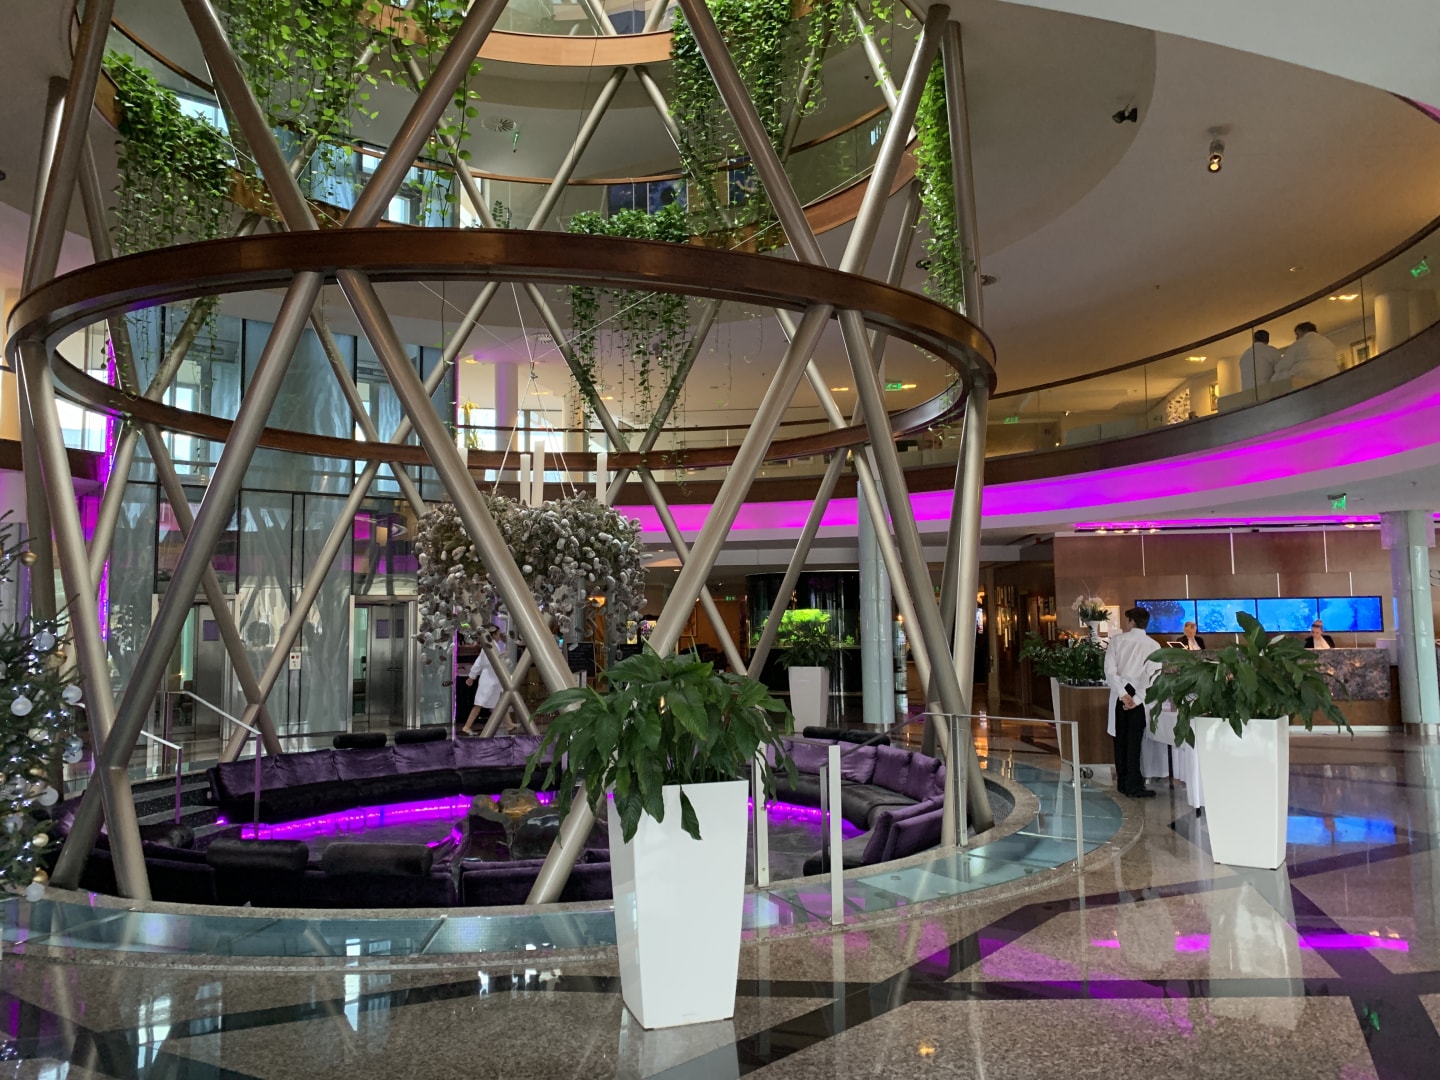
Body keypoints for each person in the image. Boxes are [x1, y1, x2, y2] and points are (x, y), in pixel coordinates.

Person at [1104, 606, 1164, 799]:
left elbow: (1109, 671)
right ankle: (1134, 784)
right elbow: (1153, 676)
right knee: (1134, 742)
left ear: (1131, 621)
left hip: (1120, 695)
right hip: (1139, 699)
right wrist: (1137, 698)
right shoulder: (1153, 645)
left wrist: (1123, 694)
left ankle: (1123, 783)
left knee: (1120, 740)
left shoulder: (1116, 641)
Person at [1276, 322, 1340, 386]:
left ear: (1305, 331)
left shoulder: (1300, 343)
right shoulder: (1328, 342)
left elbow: (1285, 364)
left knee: (1277, 376)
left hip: (1306, 373)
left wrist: (1277, 368)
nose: (1296, 338)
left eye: (1297, 334)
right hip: (1331, 373)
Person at [460, 647, 506, 735]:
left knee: (500, 701)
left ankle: (509, 724)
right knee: (479, 704)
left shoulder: (494, 646)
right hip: (488, 677)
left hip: (495, 676)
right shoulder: (487, 647)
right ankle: (466, 727)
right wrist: (472, 676)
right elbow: (479, 662)